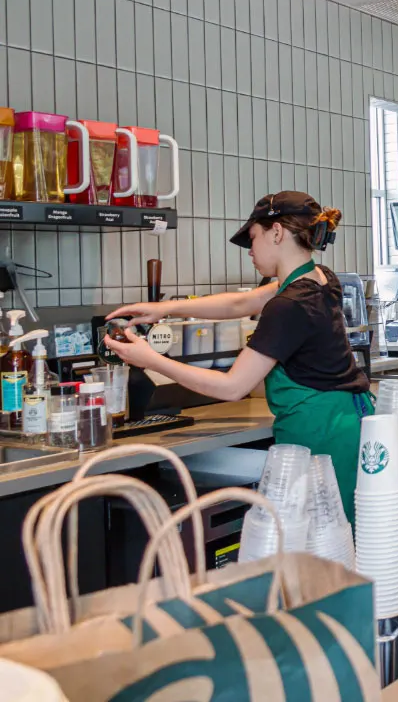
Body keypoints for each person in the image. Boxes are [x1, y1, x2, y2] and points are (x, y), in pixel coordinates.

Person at [104, 192, 372, 521]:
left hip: (320, 437)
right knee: (344, 537)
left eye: (254, 238)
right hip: (347, 422)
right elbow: (240, 303)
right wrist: (163, 309)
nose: (250, 250)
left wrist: (150, 360)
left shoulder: (289, 305)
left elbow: (232, 387)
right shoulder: (320, 277)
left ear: (277, 232)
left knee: (321, 542)